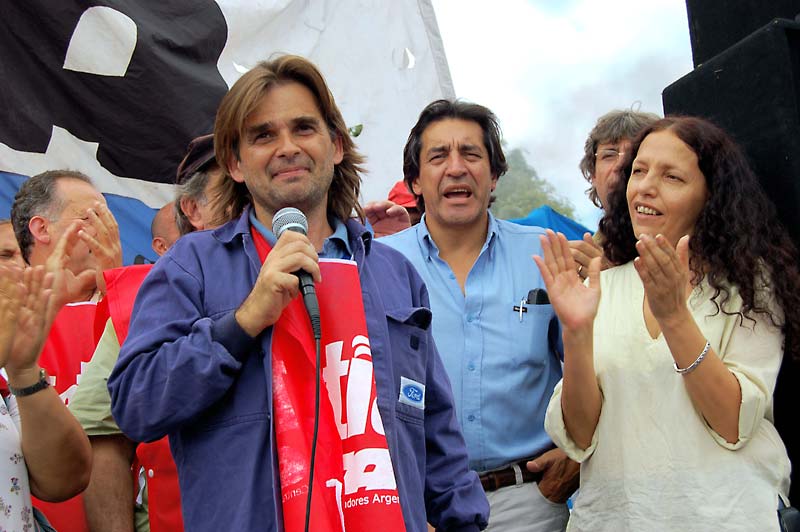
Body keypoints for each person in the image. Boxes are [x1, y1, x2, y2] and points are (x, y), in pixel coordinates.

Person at [108, 55, 488, 532]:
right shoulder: (191, 266)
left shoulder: (396, 274)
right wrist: (243, 321)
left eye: (304, 128)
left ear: (335, 146)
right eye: (263, 135)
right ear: (235, 164)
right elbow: (136, 405)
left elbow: (436, 431)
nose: (287, 147)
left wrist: (464, 522)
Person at [537, 116, 799, 531]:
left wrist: (675, 317)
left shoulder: (749, 286)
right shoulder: (603, 285)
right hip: (615, 519)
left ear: (710, 195)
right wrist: (576, 333)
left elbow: (733, 424)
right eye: (638, 171)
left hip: (724, 517)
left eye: (672, 177)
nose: (645, 187)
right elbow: (581, 436)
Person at [381, 99, 577, 532]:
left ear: (494, 175)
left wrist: (577, 458)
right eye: (438, 156)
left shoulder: (545, 253)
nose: (456, 168)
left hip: (530, 500)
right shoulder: (381, 265)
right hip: (419, 506)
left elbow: (598, 367)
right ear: (415, 181)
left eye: (471, 154)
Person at [71, 133, 240, 532]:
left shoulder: (306, 279)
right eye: (231, 185)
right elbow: (102, 440)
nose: (250, 196)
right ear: (193, 209)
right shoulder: (137, 303)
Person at [10, 169, 122, 532]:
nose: (108, 230)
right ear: (41, 229)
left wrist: (119, 288)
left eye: (109, 218)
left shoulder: (143, 309)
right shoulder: (8, 323)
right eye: (92, 217)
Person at [0, 224, 93, 530]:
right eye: (5, 255)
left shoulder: (8, 376)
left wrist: (24, 372)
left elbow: (65, 480)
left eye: (22, 257)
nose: (20, 268)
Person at [569, 109, 659, 280]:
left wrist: (612, 282)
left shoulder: (687, 246)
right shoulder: (580, 262)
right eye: (609, 155)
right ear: (593, 174)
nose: (620, 165)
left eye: (634, 154)